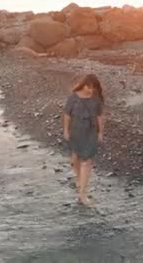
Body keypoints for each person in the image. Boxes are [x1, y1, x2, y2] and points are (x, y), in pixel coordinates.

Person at [62, 74, 105, 206]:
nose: (91, 90)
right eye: (89, 87)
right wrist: (66, 130)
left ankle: (83, 194)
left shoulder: (96, 98)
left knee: (87, 161)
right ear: (84, 84)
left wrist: (101, 132)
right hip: (76, 131)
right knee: (75, 157)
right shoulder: (73, 97)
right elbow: (67, 115)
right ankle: (78, 179)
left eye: (93, 88)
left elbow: (100, 116)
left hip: (90, 131)